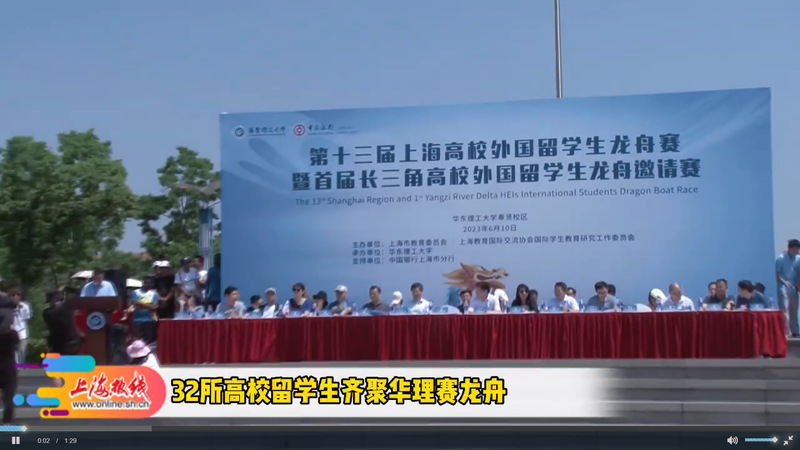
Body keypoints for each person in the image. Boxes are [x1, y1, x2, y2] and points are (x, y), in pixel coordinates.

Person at [43, 290, 82, 355]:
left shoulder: (47, 312)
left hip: (60, 343)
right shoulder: (66, 308)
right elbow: (76, 295)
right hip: (67, 342)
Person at [0, 296, 19, 424]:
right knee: (9, 394)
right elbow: (16, 347)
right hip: (8, 366)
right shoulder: (12, 334)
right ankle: (7, 419)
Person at [10, 289, 30, 364]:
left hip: (22, 331)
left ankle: (21, 364)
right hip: (12, 331)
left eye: (18, 295)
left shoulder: (25, 306)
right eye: (14, 295)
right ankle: (16, 365)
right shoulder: (9, 307)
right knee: (14, 350)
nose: (16, 297)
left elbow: (26, 319)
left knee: (22, 350)